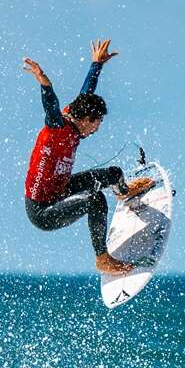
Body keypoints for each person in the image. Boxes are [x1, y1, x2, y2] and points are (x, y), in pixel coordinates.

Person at [22, 38, 154, 275]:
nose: (97, 129)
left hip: (61, 188)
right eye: (96, 123)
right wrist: (45, 83)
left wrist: (96, 65)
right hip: (43, 210)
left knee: (114, 174)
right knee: (95, 200)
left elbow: (86, 94)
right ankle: (102, 258)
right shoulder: (57, 128)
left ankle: (125, 193)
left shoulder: (76, 118)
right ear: (85, 120)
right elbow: (51, 106)